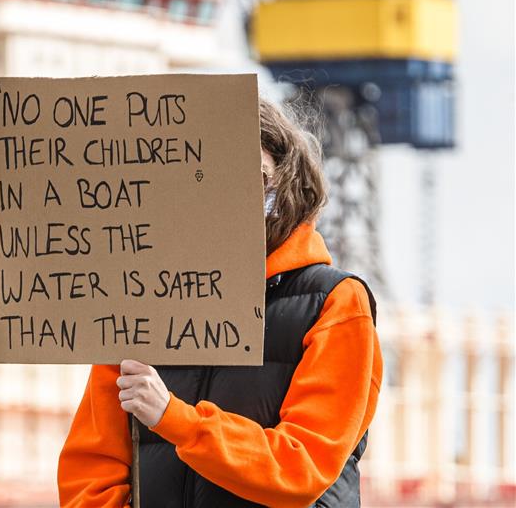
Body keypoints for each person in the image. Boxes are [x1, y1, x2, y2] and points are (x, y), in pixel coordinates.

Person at [57, 97, 383, 508]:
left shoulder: (335, 304)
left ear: (284, 183)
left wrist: (175, 419)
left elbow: (303, 466)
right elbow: (91, 471)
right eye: (205, 176)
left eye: (251, 176)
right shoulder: (141, 303)